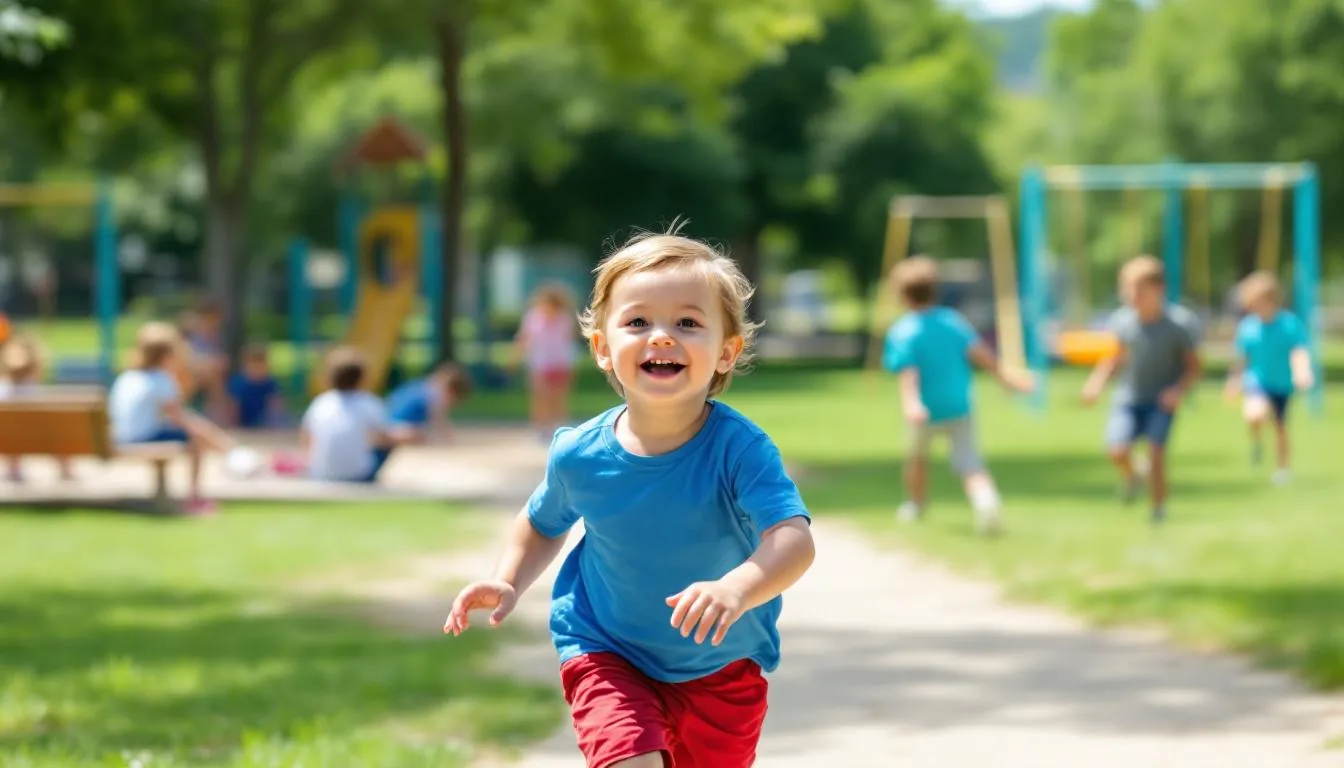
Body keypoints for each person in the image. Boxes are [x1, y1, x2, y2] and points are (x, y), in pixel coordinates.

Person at [443, 228, 816, 768]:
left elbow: (793, 540)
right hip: (605, 647)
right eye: (638, 321)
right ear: (602, 349)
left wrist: (737, 588)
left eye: (688, 322)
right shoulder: (578, 453)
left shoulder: (741, 450)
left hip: (721, 664)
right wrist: (508, 578)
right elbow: (543, 522)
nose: (661, 336)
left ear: (726, 353)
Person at [882, 255, 1034, 535]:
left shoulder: (903, 331)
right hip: (958, 405)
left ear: (902, 295)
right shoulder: (953, 322)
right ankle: (986, 502)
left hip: (924, 410)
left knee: (917, 458)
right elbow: (983, 357)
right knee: (970, 462)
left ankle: (915, 504)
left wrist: (911, 403)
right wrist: (1010, 380)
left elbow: (908, 374)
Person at [1081, 255, 1202, 524]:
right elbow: (1114, 357)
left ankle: (1158, 511)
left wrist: (1177, 391)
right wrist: (1096, 383)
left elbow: (1194, 368)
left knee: (1156, 453)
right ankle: (1134, 475)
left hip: (1161, 401)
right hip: (1129, 398)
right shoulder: (1123, 322)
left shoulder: (1179, 325)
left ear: (1159, 289)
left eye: (1139, 289)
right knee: (1117, 450)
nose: (1131, 295)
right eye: (1127, 288)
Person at [108, 321, 239, 515]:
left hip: (120, 438)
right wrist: (217, 440)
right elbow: (182, 418)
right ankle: (195, 495)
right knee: (194, 438)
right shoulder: (161, 379)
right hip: (142, 438)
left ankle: (229, 454)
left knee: (191, 432)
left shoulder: (126, 377)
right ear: (168, 355)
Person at [1223, 270, 1315, 485]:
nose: (1255, 307)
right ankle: (1256, 440)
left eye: (1259, 302)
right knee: (1254, 415)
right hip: (1257, 380)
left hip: (1282, 383)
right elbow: (1241, 359)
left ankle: (1282, 468)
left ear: (1272, 300)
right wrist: (1233, 382)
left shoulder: (1289, 324)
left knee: (1280, 429)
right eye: (1252, 303)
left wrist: (1303, 371)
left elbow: (1299, 351)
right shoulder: (1248, 327)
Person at [298, 346, 417, 483]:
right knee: (384, 445)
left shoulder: (320, 402)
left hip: (322, 472)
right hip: (358, 474)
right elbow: (383, 437)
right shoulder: (368, 402)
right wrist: (410, 435)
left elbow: (306, 438)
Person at [0, 334, 75, 482]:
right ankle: (65, 470)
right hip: (40, 441)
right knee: (56, 432)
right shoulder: (35, 392)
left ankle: (13, 468)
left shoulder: (2, 391)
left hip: (6, 442)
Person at [513, 282, 579, 441]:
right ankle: (541, 428)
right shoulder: (533, 317)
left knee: (558, 397)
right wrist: (516, 357)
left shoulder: (564, 319)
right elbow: (524, 339)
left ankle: (559, 426)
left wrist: (571, 365)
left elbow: (569, 342)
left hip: (560, 362)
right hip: (539, 363)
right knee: (540, 397)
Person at [383, 362, 473, 446]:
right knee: (420, 434)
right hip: (394, 428)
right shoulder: (433, 393)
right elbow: (438, 421)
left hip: (387, 422)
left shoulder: (423, 385)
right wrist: (450, 441)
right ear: (451, 391)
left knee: (422, 432)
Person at [227, 344, 284, 429]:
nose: (257, 367)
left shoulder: (269, 383)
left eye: (260, 363)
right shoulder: (239, 383)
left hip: (264, 421)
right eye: (253, 363)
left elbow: (276, 406)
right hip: (243, 420)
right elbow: (233, 407)